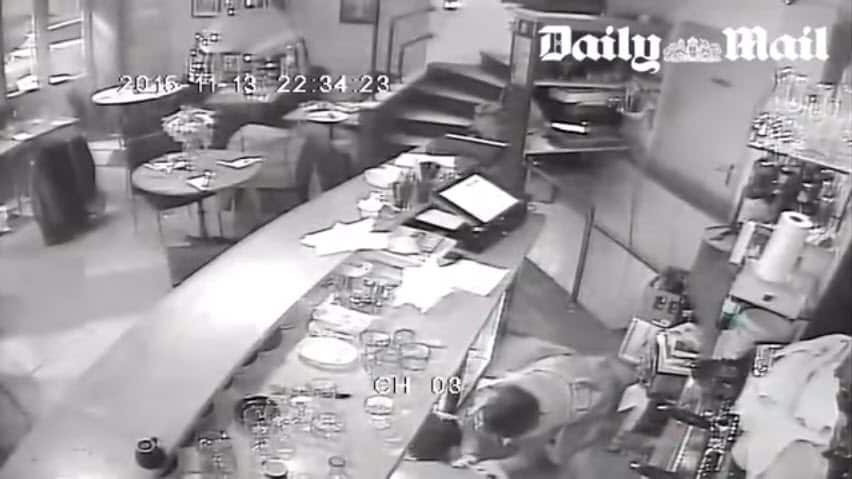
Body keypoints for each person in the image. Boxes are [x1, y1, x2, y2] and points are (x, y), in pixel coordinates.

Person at [410, 335, 637, 478]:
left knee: (559, 456)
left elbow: (527, 457)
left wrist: (499, 467)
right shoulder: (499, 389)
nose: (472, 412)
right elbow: (475, 415)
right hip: (568, 368)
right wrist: (471, 452)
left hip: (593, 393)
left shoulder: (543, 423)